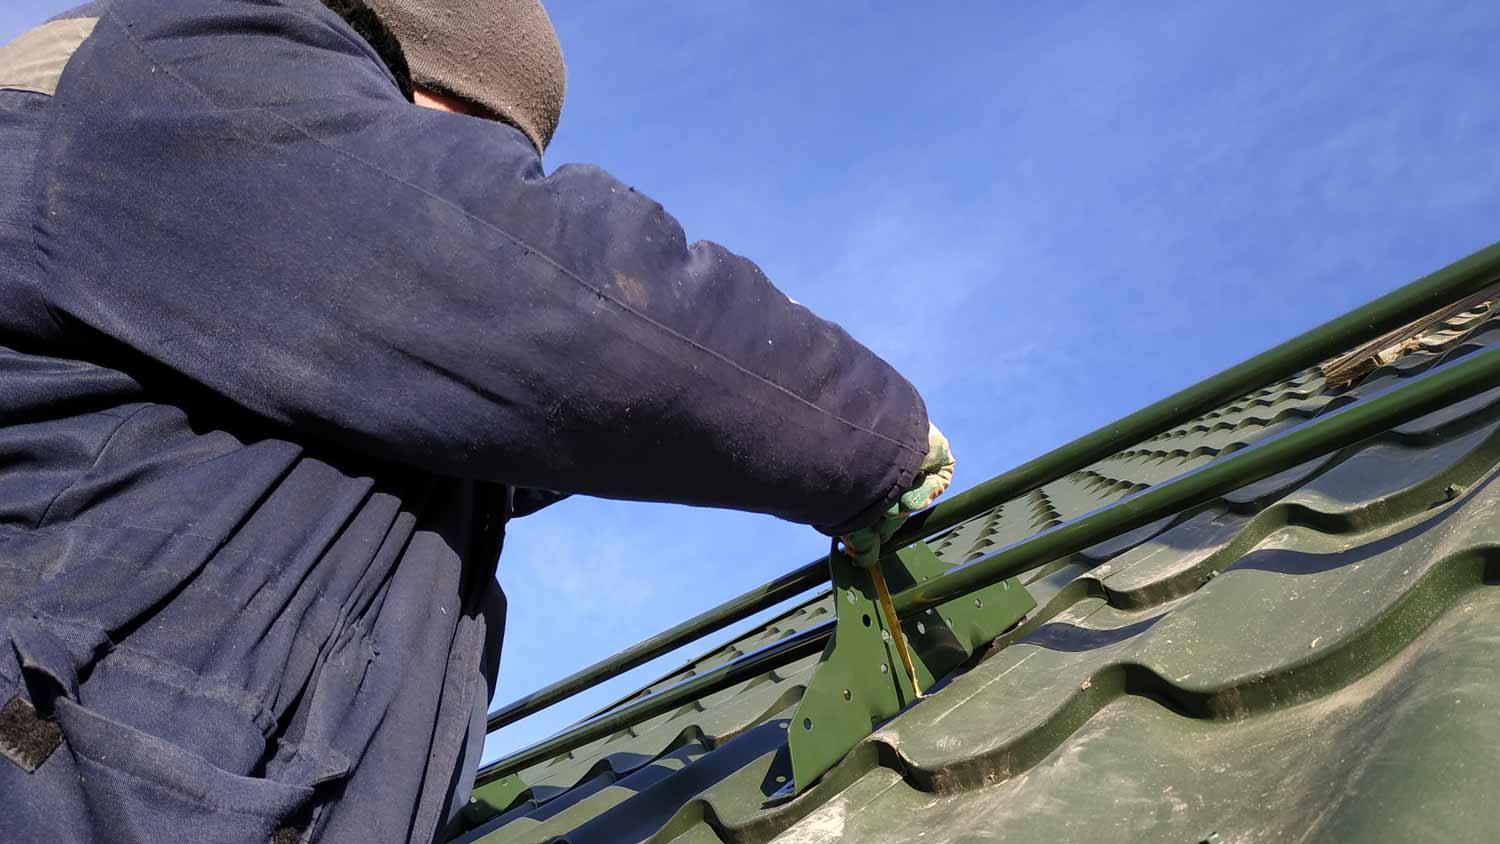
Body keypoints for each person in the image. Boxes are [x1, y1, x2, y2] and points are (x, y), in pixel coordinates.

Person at [0, 0, 954, 841]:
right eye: (473, 153)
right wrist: (874, 438)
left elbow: (470, 417)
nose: (467, 178)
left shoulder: (230, 248)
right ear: (418, 101)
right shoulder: (198, 74)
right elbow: (562, 300)